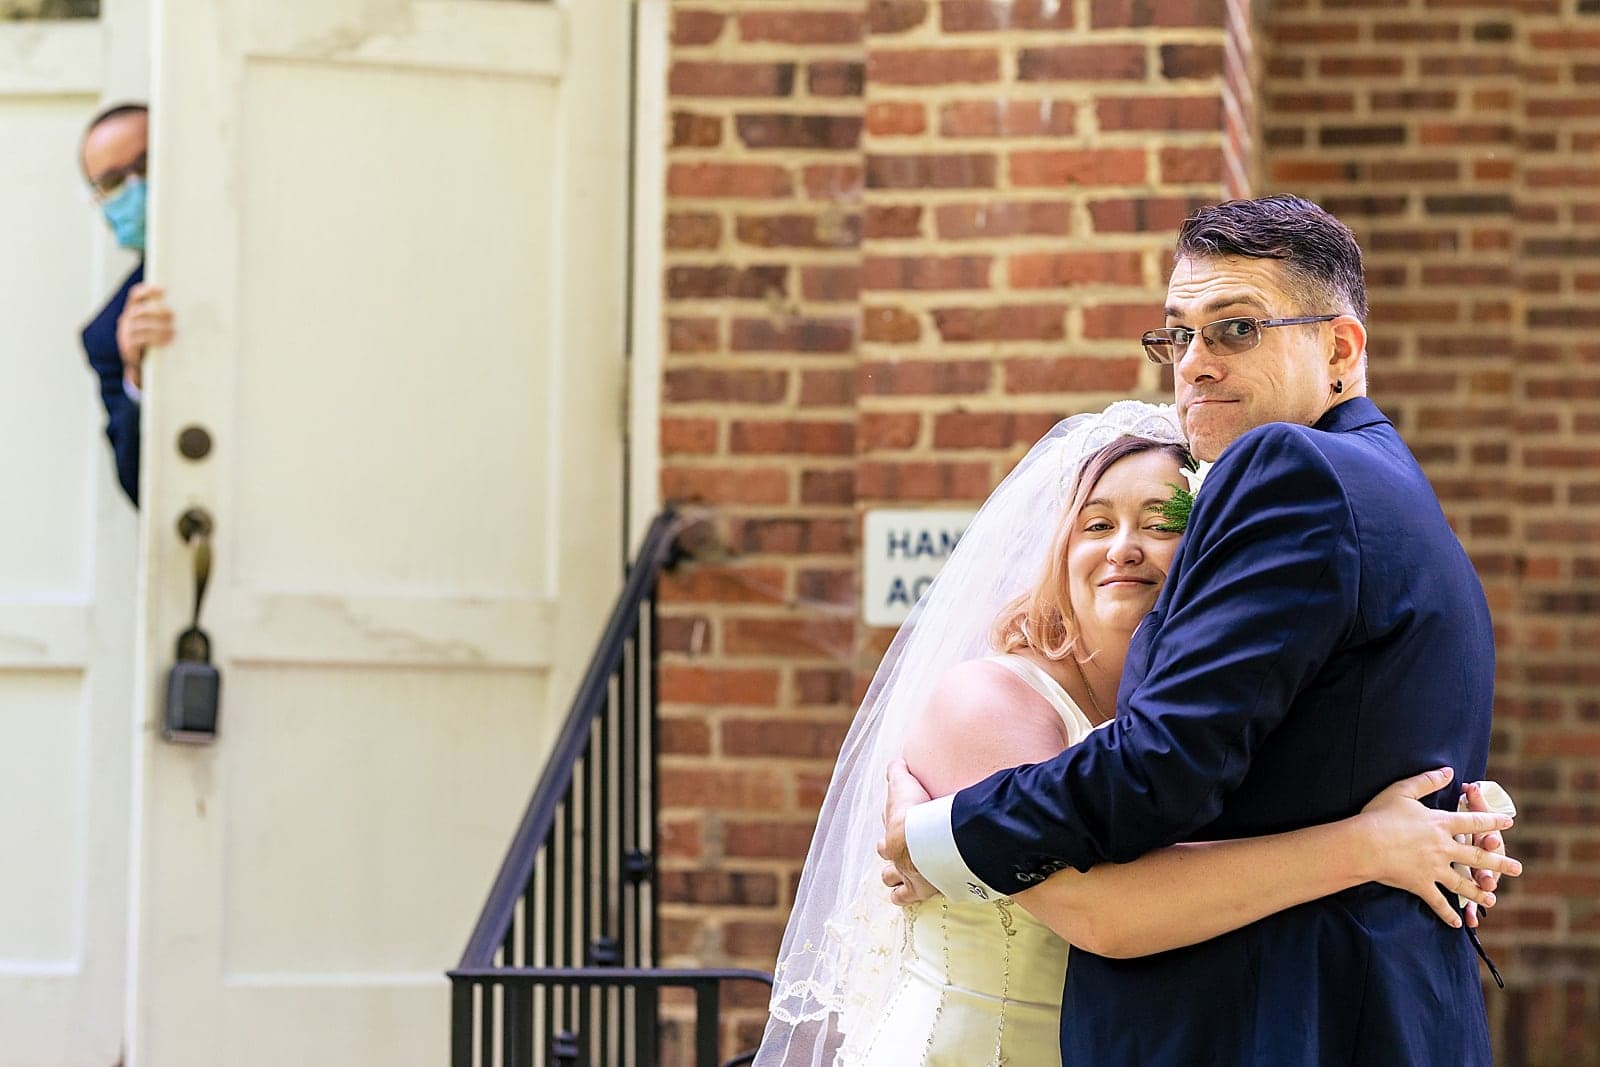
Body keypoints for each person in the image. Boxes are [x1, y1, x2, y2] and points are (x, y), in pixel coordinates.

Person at [881, 196, 1508, 1063]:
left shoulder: (1290, 468)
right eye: (1178, 334)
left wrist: (942, 830)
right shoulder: (1395, 492)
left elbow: (1161, 769)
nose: (1195, 364)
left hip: (1281, 1020)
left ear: (1340, 347)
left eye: (1236, 328)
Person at [753, 401, 1517, 1066]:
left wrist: (1450, 825)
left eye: (1165, 523)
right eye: (1097, 523)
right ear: (1059, 551)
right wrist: (1368, 847)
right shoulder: (987, 701)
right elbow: (1107, 912)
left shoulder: (1197, 730)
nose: (1125, 546)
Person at [79, 101, 174, 505]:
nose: (136, 186)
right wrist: (137, 373)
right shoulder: (106, 335)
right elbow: (139, 488)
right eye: (114, 182)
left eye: (148, 164)